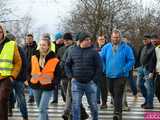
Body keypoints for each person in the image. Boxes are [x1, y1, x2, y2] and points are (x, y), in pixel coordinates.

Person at [65, 32, 102, 120]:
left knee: (93, 106)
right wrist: (71, 77)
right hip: (76, 83)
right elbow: (67, 64)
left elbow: (99, 67)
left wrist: (94, 80)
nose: (89, 41)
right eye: (86, 40)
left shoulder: (94, 52)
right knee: (76, 106)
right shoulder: (73, 51)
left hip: (90, 83)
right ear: (81, 41)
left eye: (89, 39)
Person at [100, 29, 135, 120]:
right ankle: (117, 110)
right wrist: (104, 68)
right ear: (111, 38)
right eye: (114, 37)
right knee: (112, 93)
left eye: (117, 37)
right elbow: (101, 58)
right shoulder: (106, 47)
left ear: (120, 37)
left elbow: (131, 60)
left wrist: (125, 69)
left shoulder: (126, 48)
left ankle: (117, 113)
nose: (116, 39)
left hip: (121, 76)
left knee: (118, 94)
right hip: (109, 75)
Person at [29, 34, 60, 120]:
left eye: (44, 45)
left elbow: (58, 75)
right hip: (35, 85)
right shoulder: (34, 57)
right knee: (40, 109)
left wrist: (54, 83)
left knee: (42, 109)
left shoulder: (54, 59)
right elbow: (28, 70)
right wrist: (29, 80)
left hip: (48, 86)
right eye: (41, 45)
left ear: (48, 46)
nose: (42, 47)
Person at [0, 23, 22, 120]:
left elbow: (18, 62)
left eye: (0, 32)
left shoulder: (11, 44)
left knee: (2, 99)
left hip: (6, 78)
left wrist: (12, 76)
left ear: (3, 33)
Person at [7, 33, 28, 120]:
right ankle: (24, 116)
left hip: (12, 78)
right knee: (19, 97)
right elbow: (25, 64)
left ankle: (11, 111)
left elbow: (24, 64)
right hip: (13, 78)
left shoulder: (17, 49)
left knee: (12, 97)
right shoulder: (20, 49)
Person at [136, 33, 156, 109]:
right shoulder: (142, 46)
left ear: (149, 40)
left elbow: (153, 61)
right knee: (139, 84)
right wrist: (137, 66)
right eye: (143, 39)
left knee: (150, 86)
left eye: (146, 39)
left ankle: (150, 104)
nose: (144, 41)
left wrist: (151, 71)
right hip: (141, 68)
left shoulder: (153, 48)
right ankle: (147, 100)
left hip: (148, 69)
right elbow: (138, 56)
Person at [23, 33, 37, 103]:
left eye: (30, 39)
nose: (28, 40)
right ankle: (31, 95)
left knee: (32, 82)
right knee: (28, 82)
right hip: (26, 67)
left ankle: (32, 96)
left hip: (34, 67)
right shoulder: (24, 47)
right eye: (27, 39)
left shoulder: (36, 47)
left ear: (32, 39)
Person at [95, 35, 108, 109]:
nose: (101, 40)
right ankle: (96, 101)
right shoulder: (94, 48)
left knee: (104, 88)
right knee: (95, 87)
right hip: (96, 71)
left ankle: (104, 102)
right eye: (100, 39)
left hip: (104, 70)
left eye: (103, 39)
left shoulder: (107, 48)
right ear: (97, 40)